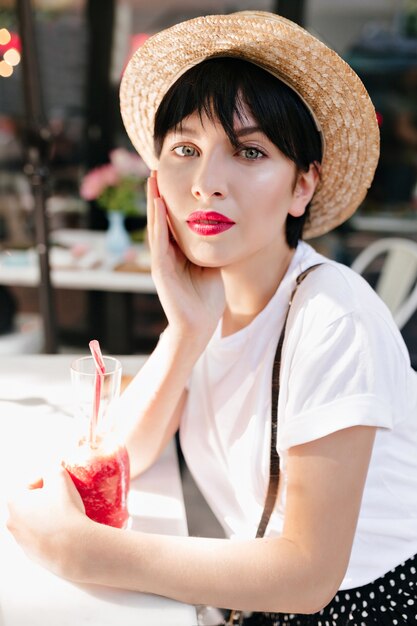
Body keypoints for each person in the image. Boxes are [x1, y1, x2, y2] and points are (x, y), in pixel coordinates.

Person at [7, 11, 417, 626]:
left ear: (303, 186)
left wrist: (89, 554)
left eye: (249, 151)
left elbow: (309, 575)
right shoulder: (215, 302)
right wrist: (187, 331)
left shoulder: (334, 318)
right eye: (186, 150)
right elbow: (125, 453)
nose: (206, 183)